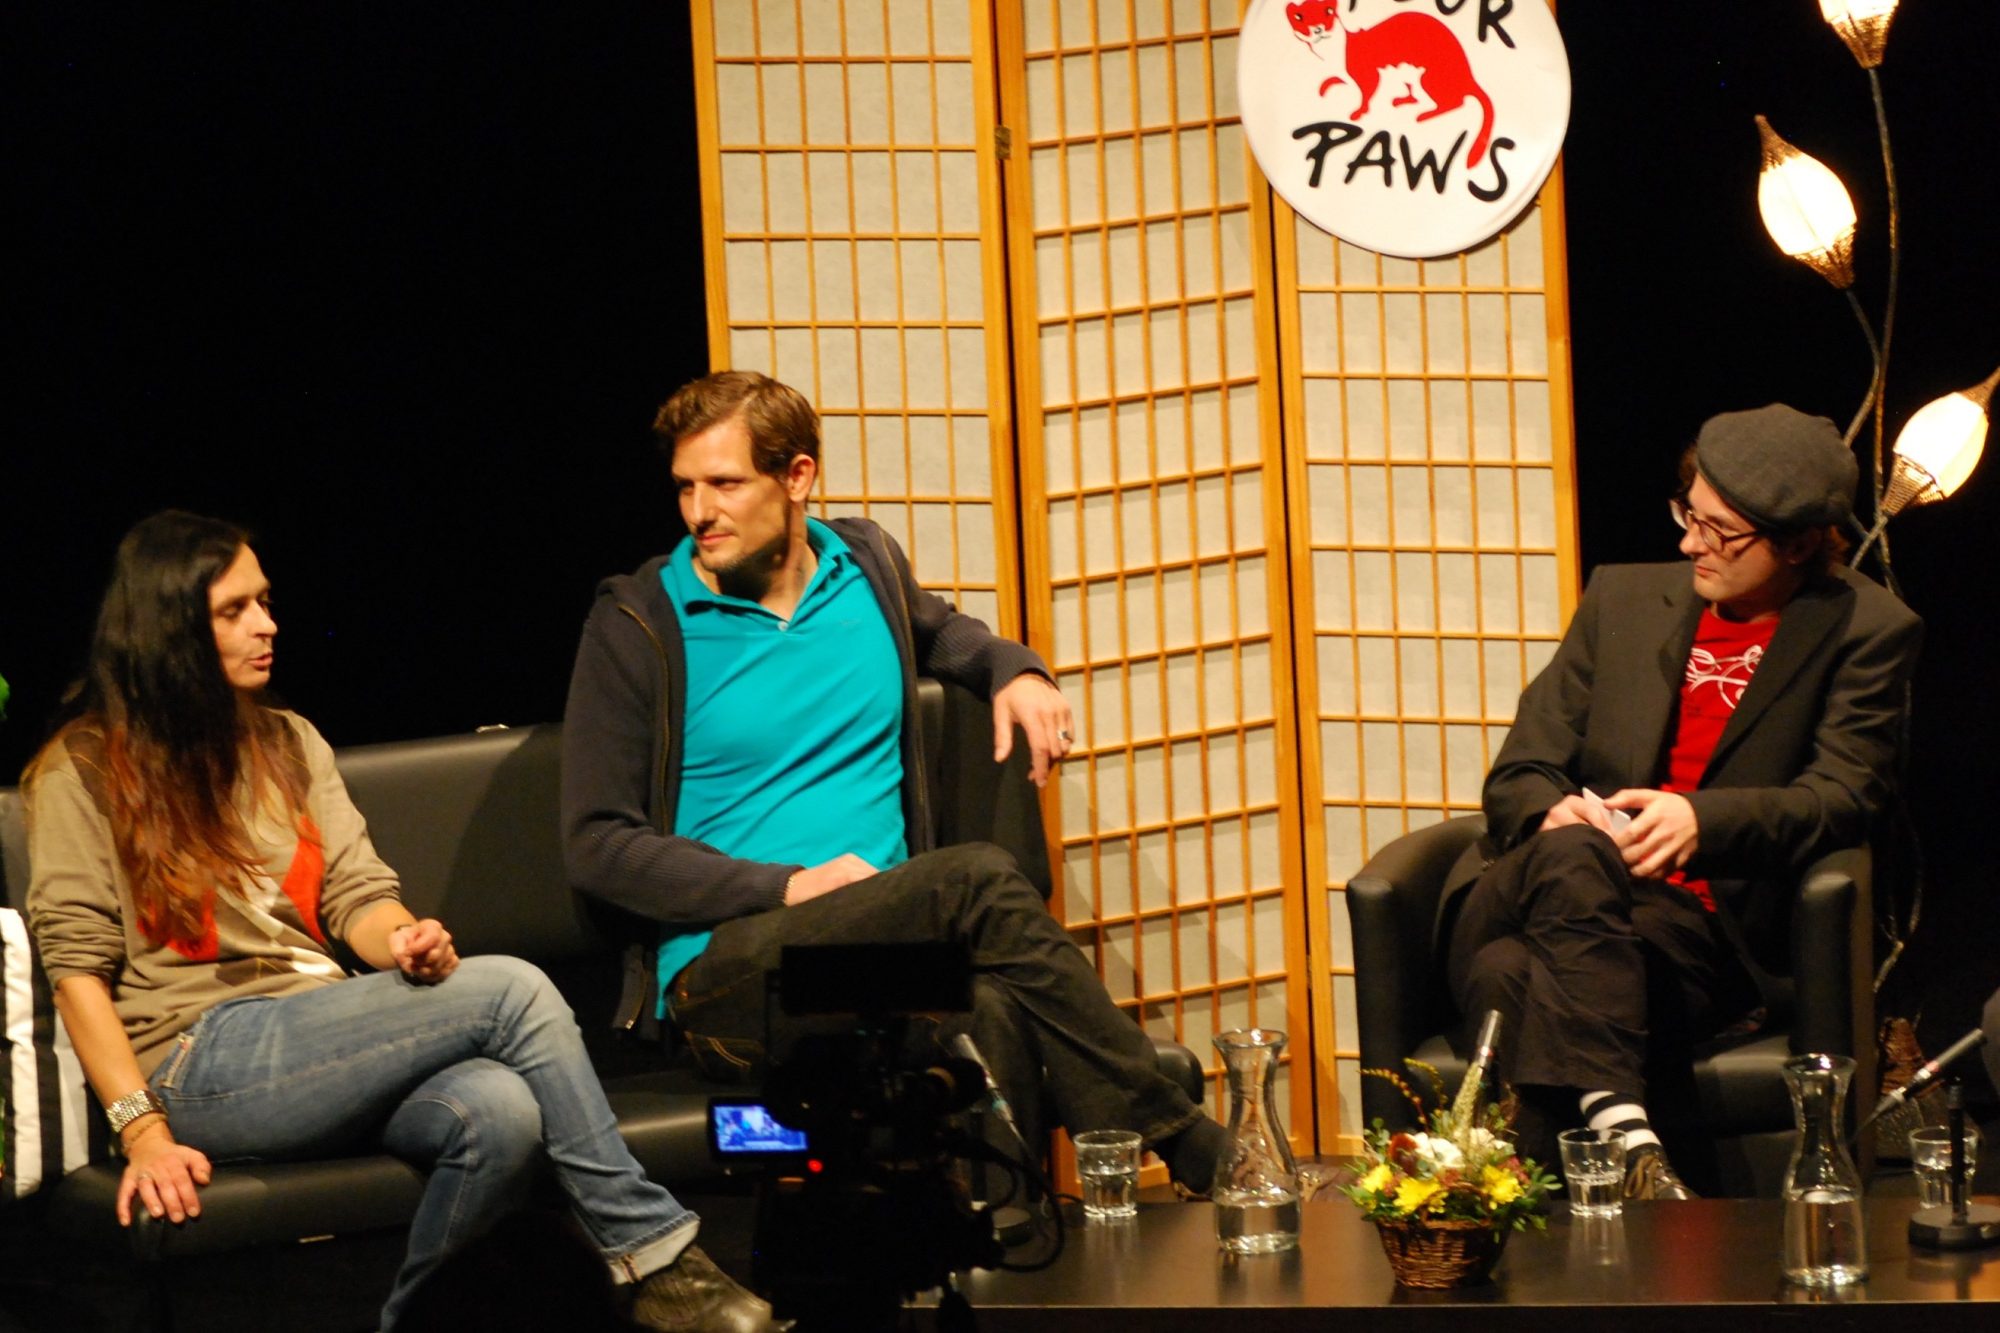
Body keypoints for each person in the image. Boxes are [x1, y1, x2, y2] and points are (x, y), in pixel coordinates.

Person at [24, 511, 782, 1332]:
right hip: (196, 1058)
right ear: (169, 629)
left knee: (499, 1113)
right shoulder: (85, 768)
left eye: (265, 601)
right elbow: (76, 972)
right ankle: (654, 1256)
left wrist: (401, 939)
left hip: (313, 1033)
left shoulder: (288, 741)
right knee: (514, 989)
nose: (267, 624)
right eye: (234, 610)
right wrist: (141, 1130)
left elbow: (356, 894)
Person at [561, 370, 1225, 1189]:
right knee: (977, 879)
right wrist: (787, 885)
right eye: (686, 486)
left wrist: (1014, 669)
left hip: (890, 957)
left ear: (797, 476)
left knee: (989, 1007)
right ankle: (1184, 1138)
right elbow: (598, 844)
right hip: (734, 974)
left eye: (725, 484)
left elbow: (942, 631)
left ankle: (1008, 1242)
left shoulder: (863, 563)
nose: (700, 511)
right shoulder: (640, 621)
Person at [1441, 403, 1922, 1199]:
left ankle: (1528, 1227)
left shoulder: (1865, 628)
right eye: (1688, 515)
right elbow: (1521, 769)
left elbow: (1844, 796)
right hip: (1526, 891)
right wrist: (1554, 812)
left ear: (1798, 542)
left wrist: (1702, 820)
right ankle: (1628, 1132)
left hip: (1690, 931)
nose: (1689, 543)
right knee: (1572, 851)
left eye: (1718, 531)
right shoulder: (1622, 599)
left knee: (1511, 975)